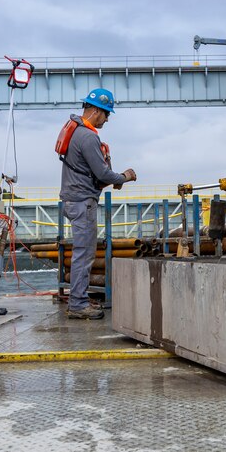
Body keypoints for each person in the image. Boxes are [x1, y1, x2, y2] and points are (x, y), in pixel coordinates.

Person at [56, 88, 136, 319]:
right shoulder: (88, 136)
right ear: (96, 110)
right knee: (84, 254)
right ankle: (78, 305)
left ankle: (78, 298)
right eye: (106, 113)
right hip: (82, 202)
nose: (107, 119)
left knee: (83, 252)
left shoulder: (75, 131)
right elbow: (101, 173)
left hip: (73, 199)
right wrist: (125, 177)